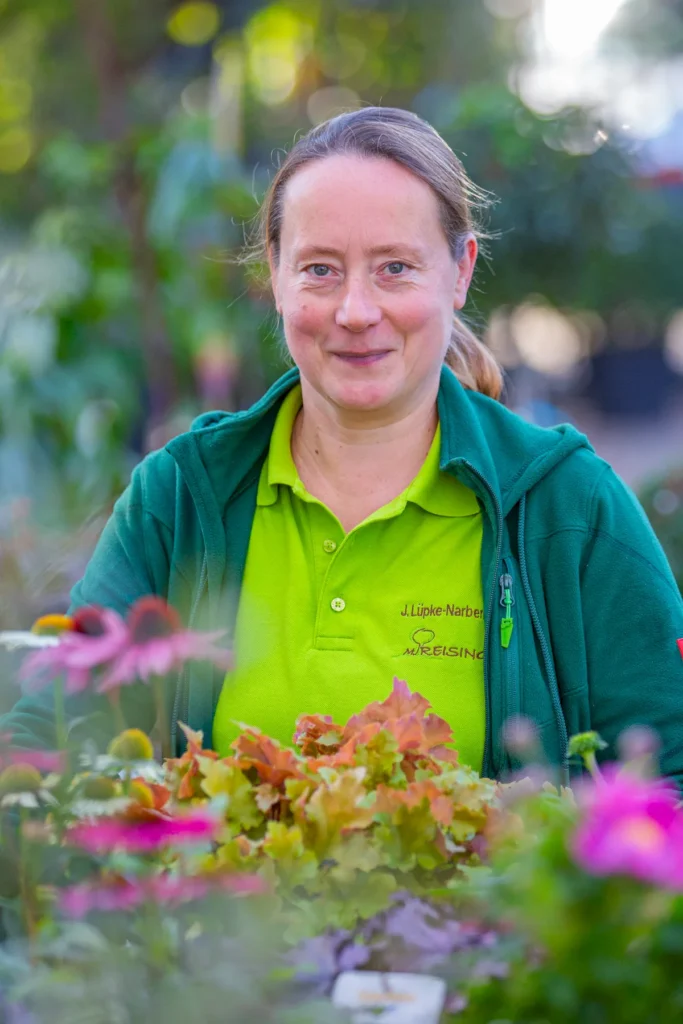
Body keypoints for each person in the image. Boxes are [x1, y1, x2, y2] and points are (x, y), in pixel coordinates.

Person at [3, 107, 683, 785]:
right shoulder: (182, 496)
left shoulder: (566, 506)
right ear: (274, 273)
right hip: (220, 899)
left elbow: (670, 776)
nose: (355, 312)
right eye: (320, 270)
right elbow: (46, 739)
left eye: (394, 267)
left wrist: (536, 835)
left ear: (459, 270)